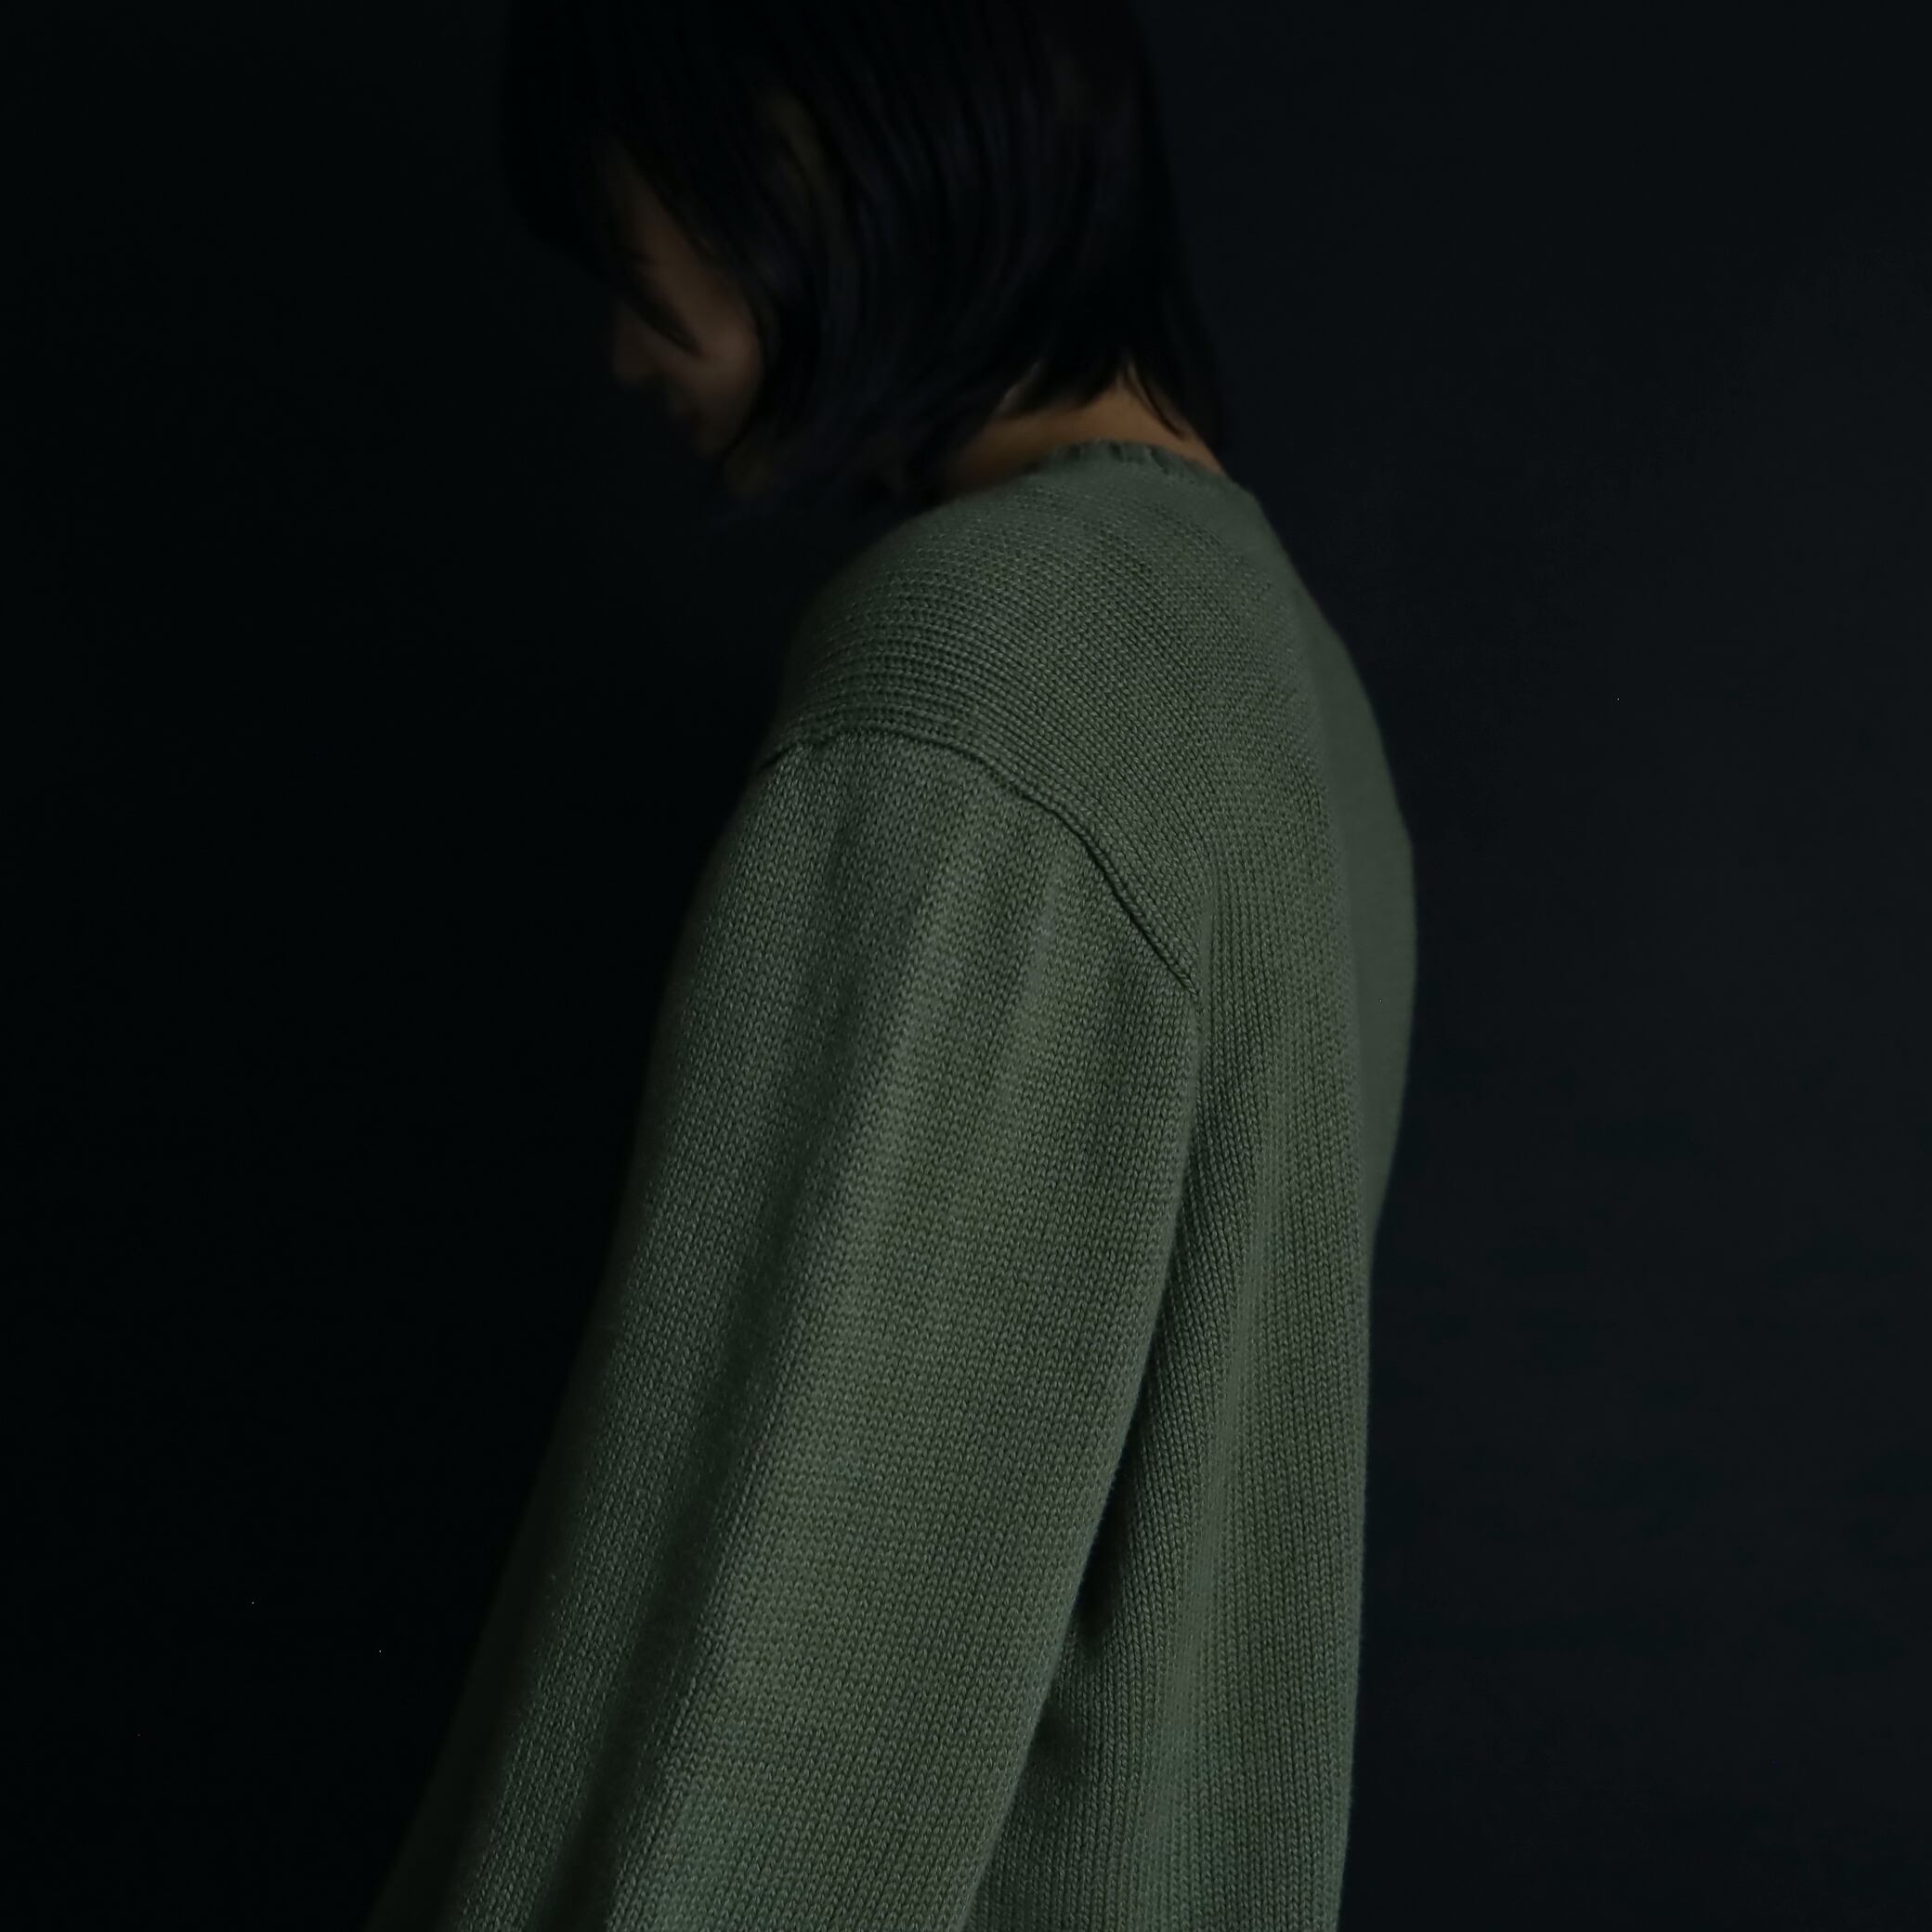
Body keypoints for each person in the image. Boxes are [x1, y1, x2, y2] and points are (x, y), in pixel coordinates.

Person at [363, 6, 1417, 1929]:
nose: (622, 349)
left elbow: (768, 1671)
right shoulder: (1280, 670)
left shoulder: (980, 676)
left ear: (814, 158)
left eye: (639, 264)